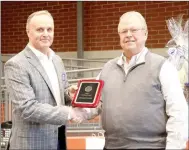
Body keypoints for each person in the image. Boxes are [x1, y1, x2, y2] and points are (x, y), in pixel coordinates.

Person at [86, 11, 188, 149]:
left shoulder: (163, 67)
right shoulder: (107, 69)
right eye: (123, 31)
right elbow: (92, 106)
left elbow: (178, 113)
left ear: (145, 33)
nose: (128, 34)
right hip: (111, 146)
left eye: (134, 30)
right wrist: (75, 106)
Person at [4, 10, 87, 150]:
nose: (46, 34)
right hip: (32, 142)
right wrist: (69, 113)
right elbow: (27, 108)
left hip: (58, 136)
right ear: (28, 32)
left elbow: (61, 91)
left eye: (49, 29)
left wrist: (70, 93)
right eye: (40, 29)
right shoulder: (16, 64)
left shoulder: (57, 60)